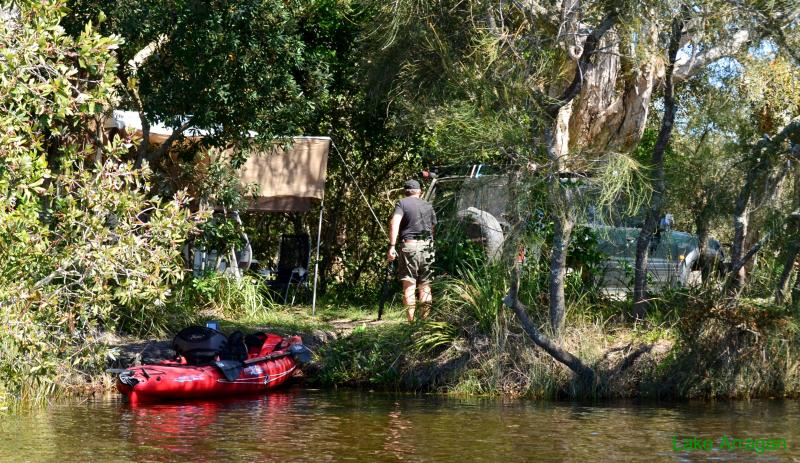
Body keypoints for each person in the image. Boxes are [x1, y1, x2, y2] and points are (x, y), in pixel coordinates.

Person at [387, 179, 437, 321]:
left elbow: (394, 223)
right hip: (428, 247)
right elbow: (433, 229)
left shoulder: (402, 203)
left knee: (409, 286)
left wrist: (391, 246)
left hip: (409, 246)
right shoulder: (428, 205)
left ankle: (411, 324)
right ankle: (424, 323)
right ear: (420, 192)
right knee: (425, 286)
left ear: (406, 191)